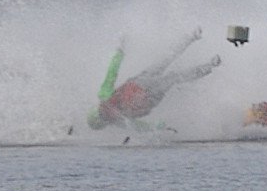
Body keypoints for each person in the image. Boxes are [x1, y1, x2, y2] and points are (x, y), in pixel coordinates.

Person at [87, 27, 220, 130]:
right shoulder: (112, 111)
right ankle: (199, 48)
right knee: (169, 69)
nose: (105, 113)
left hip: (142, 87)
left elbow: (112, 72)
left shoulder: (113, 113)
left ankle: (201, 52)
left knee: (169, 69)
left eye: (102, 113)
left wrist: (120, 50)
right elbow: (112, 72)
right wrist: (120, 50)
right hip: (143, 90)